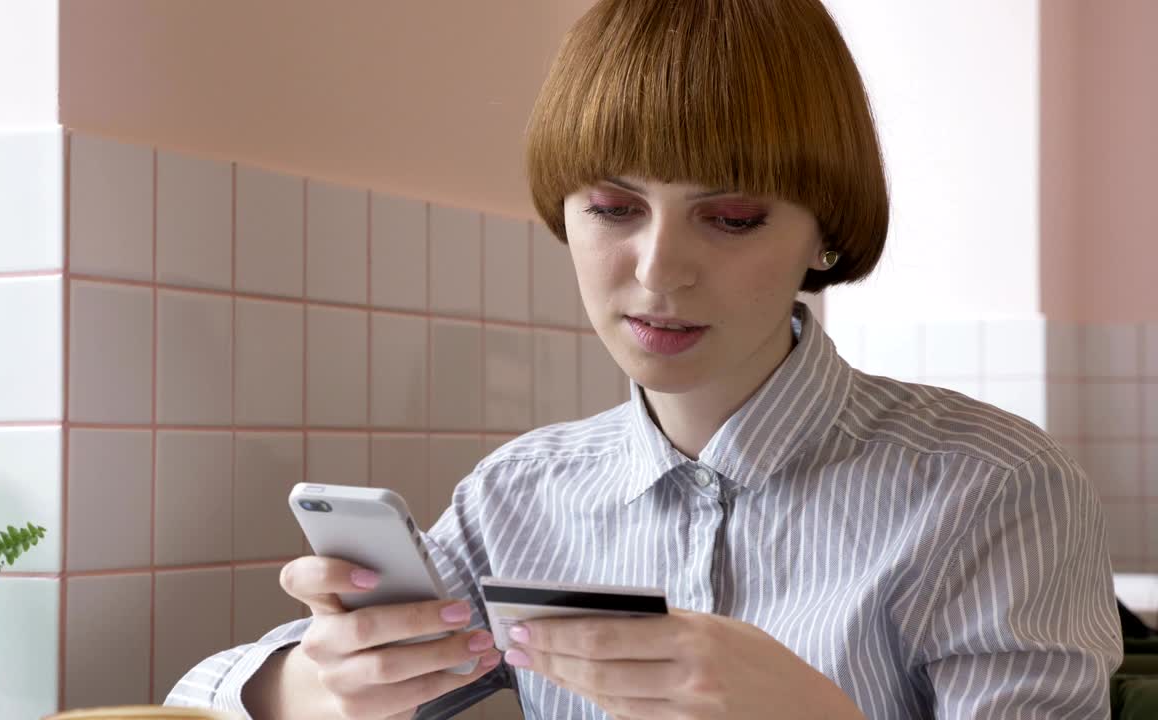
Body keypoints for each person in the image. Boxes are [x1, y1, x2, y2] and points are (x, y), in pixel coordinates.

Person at [166, 0, 1123, 717]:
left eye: (734, 217)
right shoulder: (521, 497)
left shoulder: (997, 488)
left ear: (823, 236)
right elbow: (198, 697)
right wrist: (308, 683)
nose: (659, 270)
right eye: (613, 209)